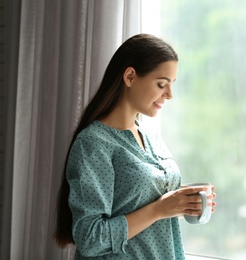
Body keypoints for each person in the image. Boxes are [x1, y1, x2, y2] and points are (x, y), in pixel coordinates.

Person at [54, 33, 216, 259]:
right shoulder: (93, 143)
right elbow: (90, 239)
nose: (169, 95)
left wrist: (181, 203)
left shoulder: (151, 136)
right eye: (162, 84)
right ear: (130, 76)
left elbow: (139, 200)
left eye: (172, 85)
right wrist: (160, 209)